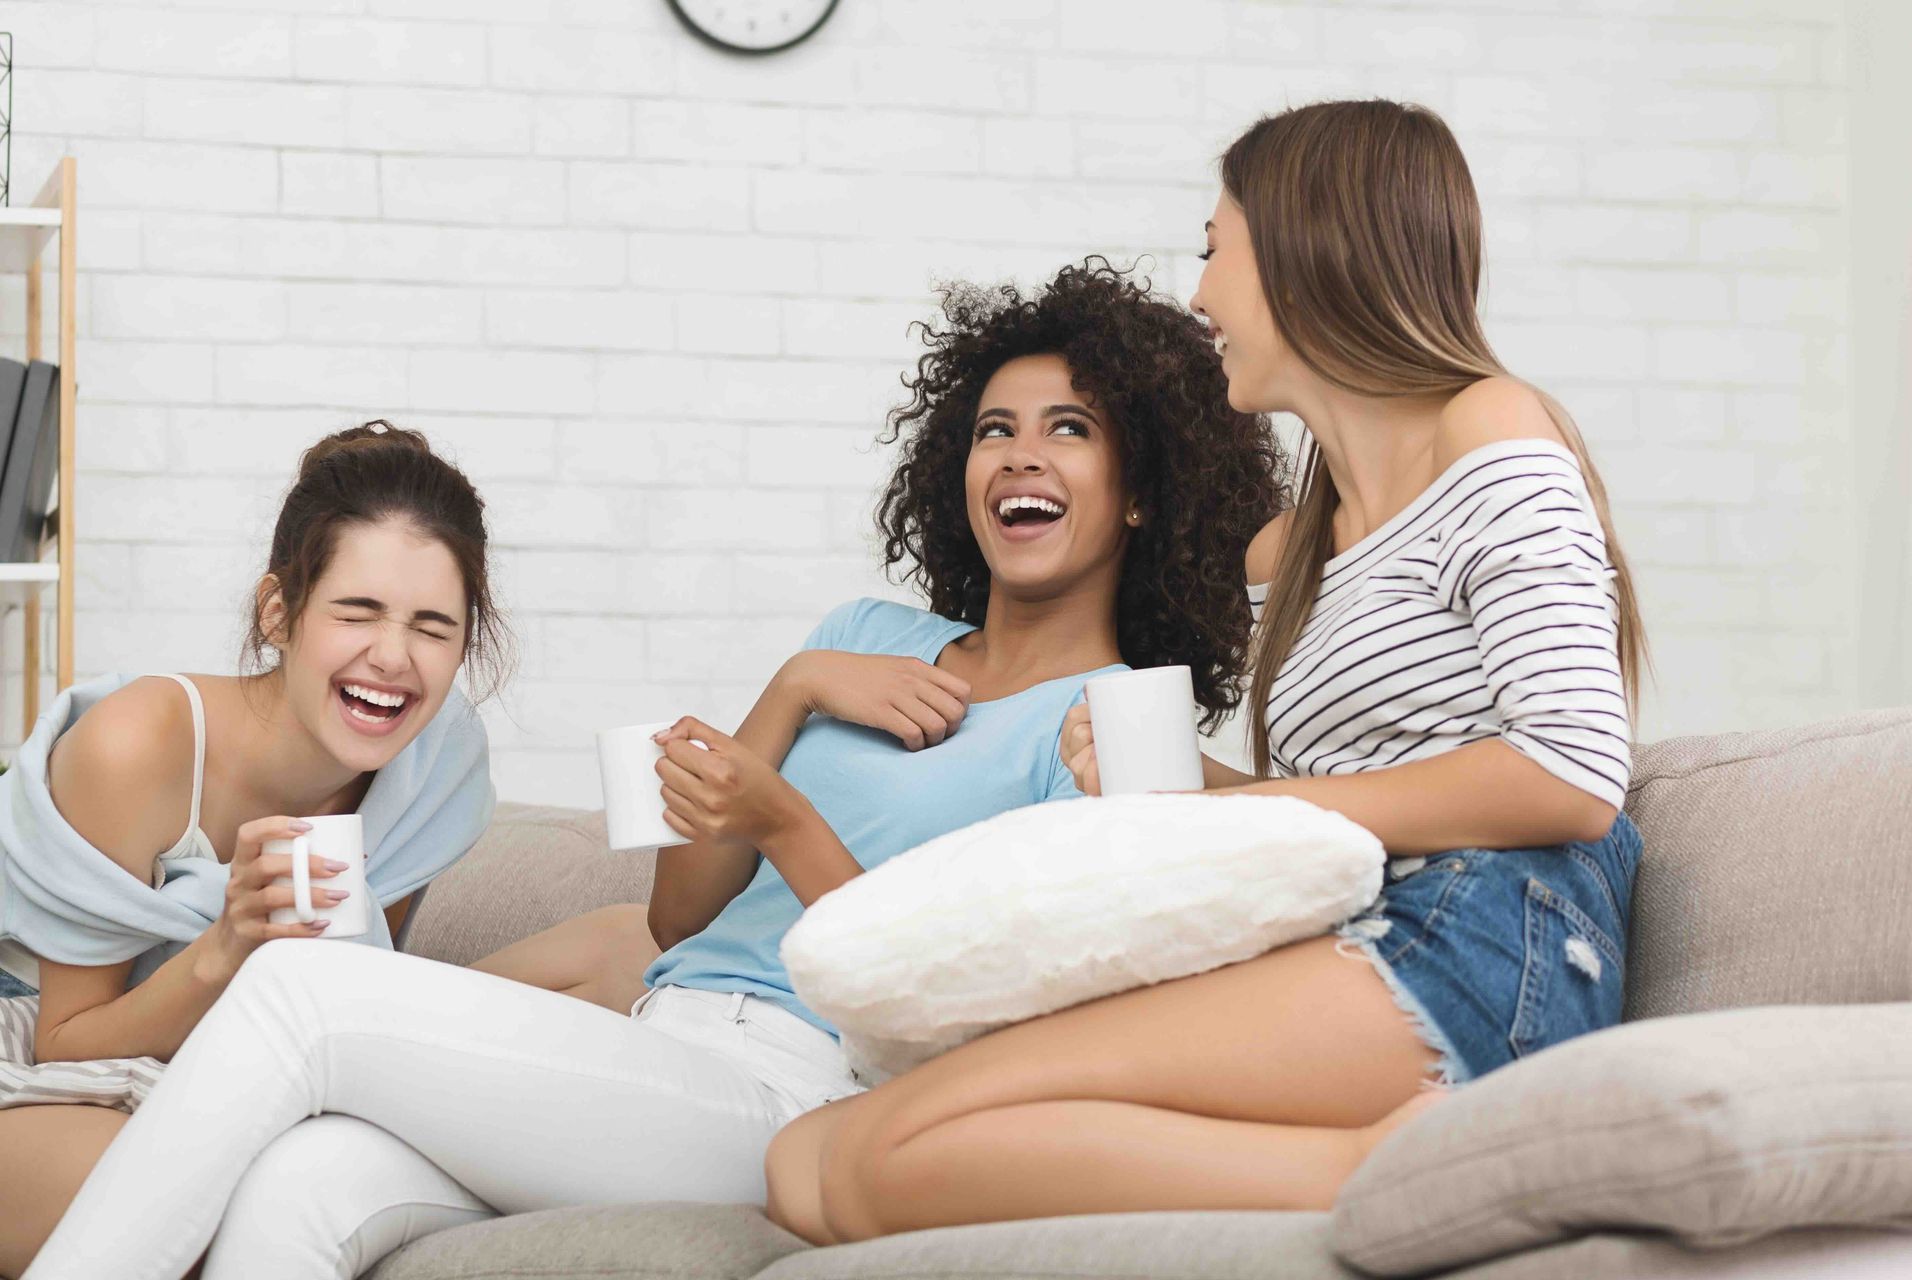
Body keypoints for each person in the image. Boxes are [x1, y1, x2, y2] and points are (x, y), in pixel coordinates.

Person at [22, 262, 1287, 1280]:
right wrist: (788, 690)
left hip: (802, 1086)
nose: (1020, 453)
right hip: (656, 1037)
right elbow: (682, 915)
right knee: (303, 1183)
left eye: (1069, 429)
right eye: (995, 426)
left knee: (304, 994)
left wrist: (785, 815)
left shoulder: (1117, 732)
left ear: (1138, 491)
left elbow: (944, 1027)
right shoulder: (860, 638)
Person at [761, 99, 1650, 1246]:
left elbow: (1574, 770)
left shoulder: (1489, 424)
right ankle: (1393, 1160)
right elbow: (1367, 798)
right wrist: (1194, 788)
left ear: (1304, 249)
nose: (1198, 295)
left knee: (884, 1156)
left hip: (1492, 936)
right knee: (807, 1162)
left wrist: (1255, 802)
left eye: (1212, 248)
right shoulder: (1292, 548)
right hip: (1367, 916)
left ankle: (1433, 1167)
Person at [0, 423, 504, 1279]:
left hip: (248, 1069)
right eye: (357, 611)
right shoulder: (139, 746)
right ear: (280, 611)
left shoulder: (436, 757)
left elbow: (362, 988)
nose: (394, 657)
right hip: (44, 1058)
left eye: (432, 627)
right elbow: (65, 1043)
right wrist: (224, 950)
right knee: (201, 1214)